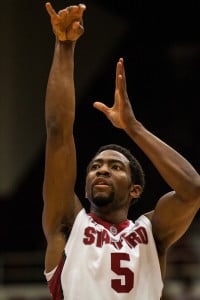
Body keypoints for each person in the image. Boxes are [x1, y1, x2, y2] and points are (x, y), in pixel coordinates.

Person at [43, 2, 200, 300]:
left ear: (135, 190)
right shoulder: (67, 223)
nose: (101, 169)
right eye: (95, 166)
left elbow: (192, 189)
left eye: (116, 167)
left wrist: (133, 127)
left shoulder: (151, 233)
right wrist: (64, 46)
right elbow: (58, 133)